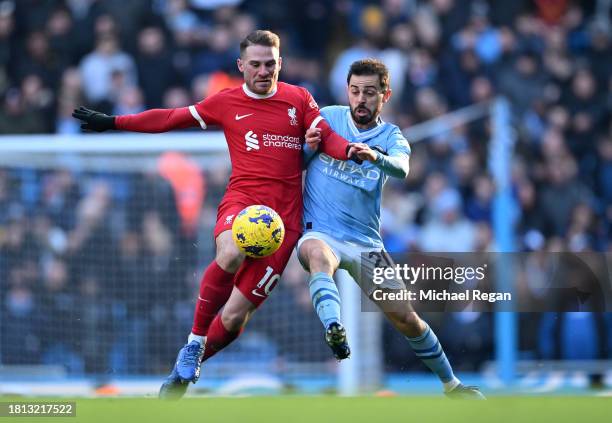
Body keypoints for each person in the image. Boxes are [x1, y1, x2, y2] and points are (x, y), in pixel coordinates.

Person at [73, 30, 363, 399]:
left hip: (284, 222)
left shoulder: (298, 99)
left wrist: (350, 151)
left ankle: (180, 375)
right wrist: (114, 122)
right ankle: (193, 342)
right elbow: (169, 119)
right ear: (241, 66)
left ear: (280, 64)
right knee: (230, 252)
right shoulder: (226, 102)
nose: (263, 71)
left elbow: (328, 137)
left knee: (233, 317)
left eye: (270, 64)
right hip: (242, 202)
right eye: (255, 64)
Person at [299, 58, 485, 399]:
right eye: (355, 91)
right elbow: (295, 164)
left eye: (370, 92)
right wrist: (307, 148)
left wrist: (376, 157)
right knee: (316, 256)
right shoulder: (328, 118)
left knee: (407, 319)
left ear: (386, 95)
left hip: (366, 242)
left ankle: (452, 385)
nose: (361, 99)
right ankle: (334, 328)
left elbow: (401, 168)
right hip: (320, 230)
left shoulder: (392, 136)